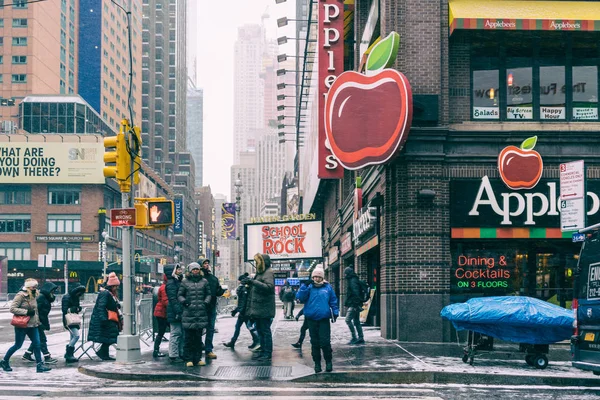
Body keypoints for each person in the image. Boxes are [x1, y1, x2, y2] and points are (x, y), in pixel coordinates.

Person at [0, 278, 51, 373]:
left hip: (33, 325)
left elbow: (36, 311)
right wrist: (26, 312)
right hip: (22, 325)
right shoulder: (20, 295)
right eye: (33, 286)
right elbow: (12, 309)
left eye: (36, 286)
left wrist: (38, 322)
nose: (35, 288)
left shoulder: (34, 295)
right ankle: (4, 361)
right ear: (28, 287)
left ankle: (39, 365)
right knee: (18, 345)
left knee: (37, 344)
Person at [296, 267, 339, 373]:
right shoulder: (309, 287)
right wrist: (304, 286)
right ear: (312, 277)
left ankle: (328, 362)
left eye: (319, 277)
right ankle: (317, 364)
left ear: (322, 278)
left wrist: (335, 312)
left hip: (324, 319)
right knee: (314, 343)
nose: (317, 279)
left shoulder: (327, 287)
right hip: (311, 319)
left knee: (325, 342)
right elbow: (300, 298)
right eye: (315, 276)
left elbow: (333, 300)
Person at [178, 262, 211, 367]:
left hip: (201, 313)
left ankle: (198, 359)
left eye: (197, 269)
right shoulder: (185, 282)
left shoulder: (204, 281)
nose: (195, 271)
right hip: (189, 313)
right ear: (190, 270)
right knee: (188, 338)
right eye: (193, 269)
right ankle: (188, 359)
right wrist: (185, 302)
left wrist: (206, 302)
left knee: (198, 338)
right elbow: (179, 295)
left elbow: (208, 294)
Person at [244, 253, 275, 361]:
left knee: (265, 331)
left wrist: (253, 282)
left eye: (258, 262)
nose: (256, 264)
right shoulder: (260, 273)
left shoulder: (268, 272)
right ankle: (263, 351)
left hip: (264, 308)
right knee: (261, 330)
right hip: (259, 308)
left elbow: (269, 287)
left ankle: (267, 352)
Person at [22, 281, 58, 364]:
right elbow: (36, 311)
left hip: (40, 321)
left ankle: (27, 354)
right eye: (52, 290)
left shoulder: (46, 298)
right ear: (48, 290)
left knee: (37, 339)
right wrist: (39, 322)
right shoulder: (41, 297)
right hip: (37, 322)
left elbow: (44, 313)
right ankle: (47, 357)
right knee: (42, 339)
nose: (53, 292)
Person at [88, 272, 122, 361]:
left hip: (107, 318)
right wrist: (103, 319)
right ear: (111, 285)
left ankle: (103, 353)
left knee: (109, 336)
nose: (116, 288)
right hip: (104, 318)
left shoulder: (109, 293)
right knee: (109, 336)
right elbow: (101, 306)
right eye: (115, 286)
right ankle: (103, 353)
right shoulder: (105, 293)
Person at [223, 273, 259, 350]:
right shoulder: (247, 287)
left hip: (244, 313)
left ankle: (257, 341)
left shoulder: (243, 288)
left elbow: (242, 302)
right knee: (242, 327)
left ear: (240, 281)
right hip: (245, 311)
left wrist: (236, 311)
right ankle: (255, 341)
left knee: (247, 327)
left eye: (238, 281)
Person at [200, 258, 225, 360]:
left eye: (207, 263)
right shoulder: (197, 278)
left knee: (210, 329)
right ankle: (199, 347)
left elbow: (217, 291)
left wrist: (221, 291)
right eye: (204, 263)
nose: (206, 265)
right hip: (200, 307)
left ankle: (208, 349)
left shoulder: (213, 278)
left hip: (211, 307)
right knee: (199, 329)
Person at [61, 282, 86, 363]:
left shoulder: (75, 297)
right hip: (69, 320)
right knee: (76, 336)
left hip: (73, 320)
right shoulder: (67, 297)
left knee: (73, 337)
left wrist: (78, 308)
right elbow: (65, 310)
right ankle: (69, 353)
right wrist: (75, 308)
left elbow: (76, 308)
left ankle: (69, 354)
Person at [165, 264, 184, 362]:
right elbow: (173, 299)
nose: (180, 270)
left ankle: (179, 353)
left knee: (180, 333)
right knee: (176, 333)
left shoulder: (177, 281)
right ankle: (173, 355)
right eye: (178, 269)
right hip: (175, 311)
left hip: (177, 311)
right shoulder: (171, 283)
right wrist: (178, 311)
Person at [344, 266, 365, 345]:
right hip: (355, 304)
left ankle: (354, 337)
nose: (345, 275)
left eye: (345, 274)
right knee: (356, 321)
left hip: (354, 304)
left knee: (348, 320)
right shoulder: (353, 279)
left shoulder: (352, 281)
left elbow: (355, 293)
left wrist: (355, 305)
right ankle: (360, 337)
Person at [153, 271, 169, 358]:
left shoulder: (163, 287)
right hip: (162, 313)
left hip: (161, 312)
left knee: (161, 332)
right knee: (161, 332)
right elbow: (165, 301)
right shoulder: (164, 288)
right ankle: (156, 350)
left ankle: (156, 350)